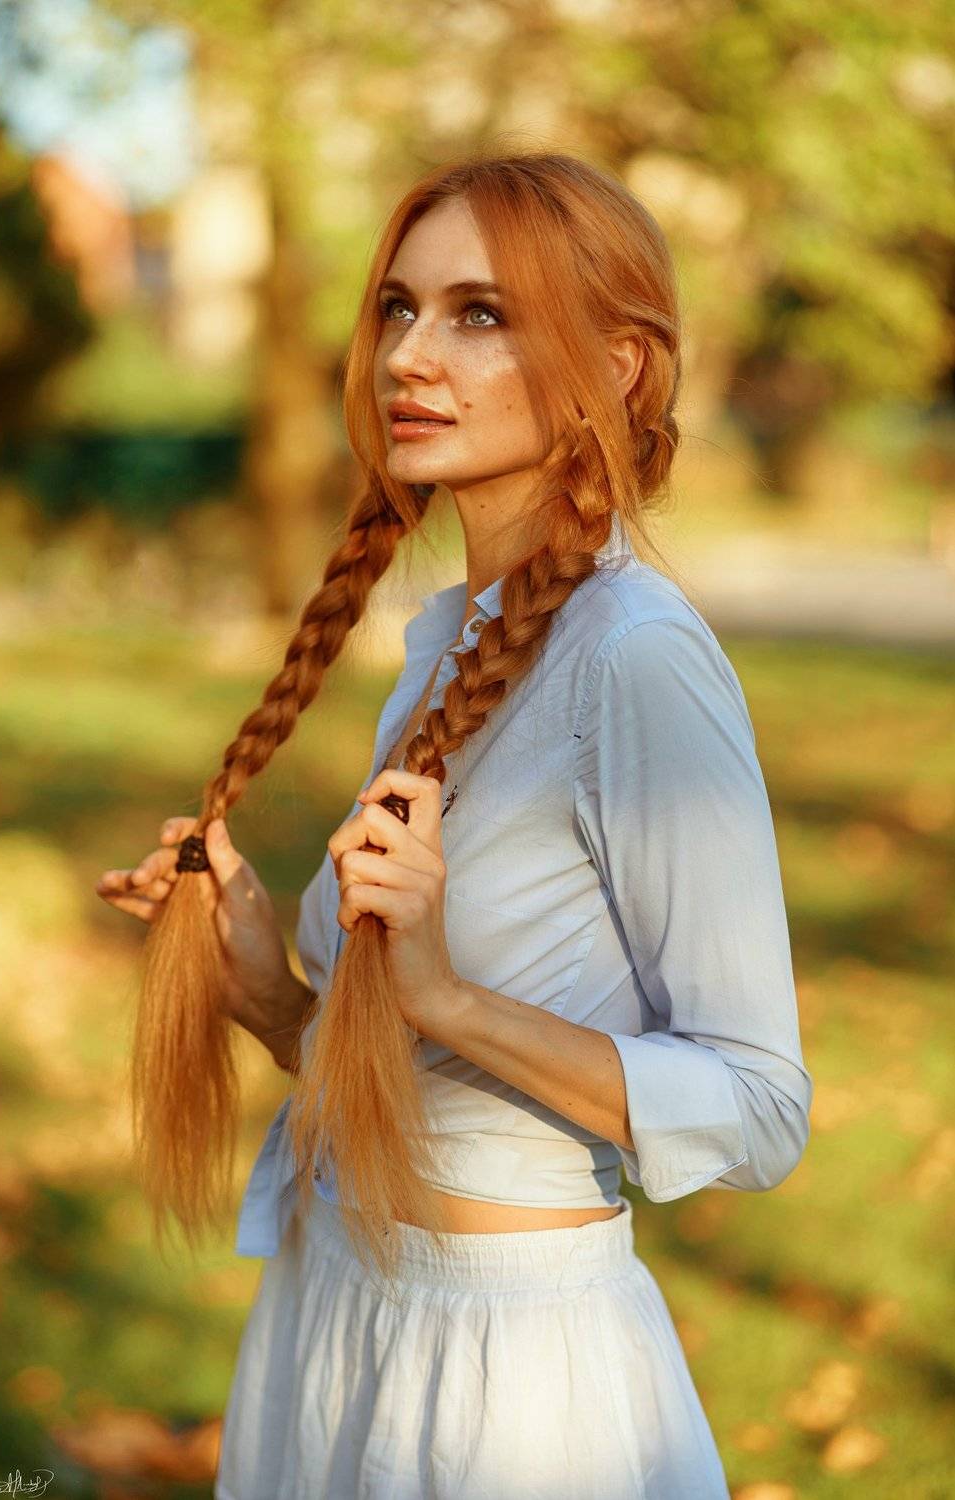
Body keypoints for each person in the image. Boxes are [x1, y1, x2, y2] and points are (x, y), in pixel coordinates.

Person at [96, 151, 812, 1499]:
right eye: (398, 309)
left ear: (622, 368)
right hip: (333, 1313)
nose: (410, 356)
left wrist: (440, 992)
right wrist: (261, 991)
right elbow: (396, 1091)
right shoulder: (445, 643)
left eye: (481, 313)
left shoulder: (635, 659)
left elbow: (758, 1107)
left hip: (511, 1387)